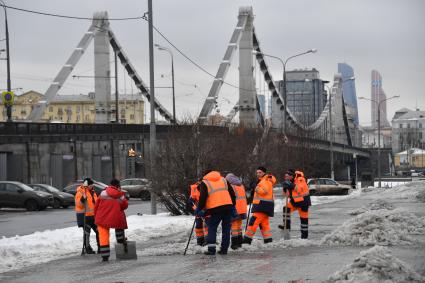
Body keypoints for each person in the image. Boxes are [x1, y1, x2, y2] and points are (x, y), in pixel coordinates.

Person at [195, 170, 236, 255]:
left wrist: (199, 209)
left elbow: (203, 198)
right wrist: (232, 205)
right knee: (226, 229)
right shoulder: (224, 180)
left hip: (215, 208)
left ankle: (211, 249)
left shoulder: (205, 182)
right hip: (228, 206)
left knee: (212, 228)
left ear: (205, 175)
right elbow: (232, 193)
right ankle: (224, 250)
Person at [94, 179, 128, 262]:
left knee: (103, 237)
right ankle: (122, 248)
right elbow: (125, 206)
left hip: (102, 218)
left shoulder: (103, 193)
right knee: (119, 228)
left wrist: (96, 216)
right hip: (115, 217)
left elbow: (96, 206)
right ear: (118, 186)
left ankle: (105, 257)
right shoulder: (120, 195)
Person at [243, 166, 276, 245]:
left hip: (262, 206)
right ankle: (268, 241)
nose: (258, 174)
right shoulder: (263, 180)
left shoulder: (266, 180)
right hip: (264, 206)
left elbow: (263, 191)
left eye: (260, 172)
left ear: (264, 172)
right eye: (257, 172)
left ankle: (246, 241)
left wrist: (255, 187)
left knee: (253, 222)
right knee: (264, 224)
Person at [278, 169, 311, 239]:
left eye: (287, 176)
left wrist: (291, 185)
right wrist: (284, 188)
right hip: (295, 202)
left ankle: (304, 237)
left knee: (304, 220)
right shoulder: (289, 181)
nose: (285, 178)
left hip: (303, 202)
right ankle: (287, 226)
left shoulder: (300, 179)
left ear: (291, 176)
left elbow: (299, 189)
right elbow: (286, 195)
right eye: (285, 176)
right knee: (286, 209)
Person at [75, 177, 99, 254]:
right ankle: (88, 248)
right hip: (85, 217)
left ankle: (101, 247)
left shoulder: (93, 192)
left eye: (92, 185)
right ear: (87, 185)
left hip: (93, 216)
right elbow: (78, 205)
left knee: (98, 231)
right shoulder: (80, 192)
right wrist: (82, 199)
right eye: (90, 185)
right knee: (87, 233)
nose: (92, 186)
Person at [225, 173, 247, 250]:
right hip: (242, 208)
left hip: (235, 209)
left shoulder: (231, 187)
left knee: (234, 226)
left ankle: (234, 244)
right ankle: (240, 242)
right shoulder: (241, 186)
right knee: (239, 226)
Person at [188, 180, 208, 246]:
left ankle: (208, 240)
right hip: (199, 210)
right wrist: (196, 209)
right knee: (199, 226)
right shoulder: (194, 189)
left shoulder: (208, 187)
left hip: (207, 210)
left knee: (207, 226)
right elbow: (191, 202)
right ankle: (200, 241)